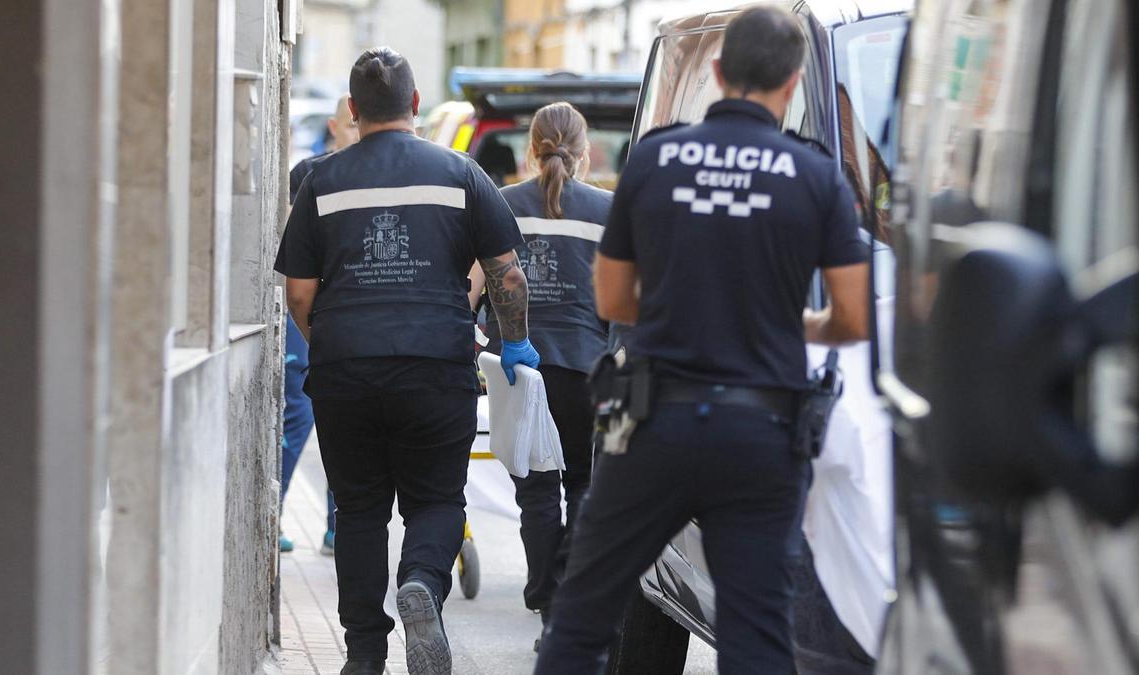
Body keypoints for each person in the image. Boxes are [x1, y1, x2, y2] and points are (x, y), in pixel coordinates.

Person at [533, 6, 870, 674]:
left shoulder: (656, 160)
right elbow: (854, 319)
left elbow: (612, 298)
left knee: (581, 620)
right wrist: (788, 322)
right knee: (755, 637)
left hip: (652, 422)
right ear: (794, 80)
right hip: (760, 436)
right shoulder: (816, 176)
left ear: (716, 72)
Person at [275, 47, 539, 675]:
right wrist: (513, 342)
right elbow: (507, 273)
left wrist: (331, 348)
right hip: (436, 367)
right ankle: (421, 579)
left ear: (352, 109)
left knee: (361, 511)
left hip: (345, 371)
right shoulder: (461, 174)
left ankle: (364, 656)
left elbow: (299, 292)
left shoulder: (322, 179)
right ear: (416, 106)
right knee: (437, 502)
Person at [471, 102, 610, 651]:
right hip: (586, 366)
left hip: (518, 369)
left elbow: (473, 289)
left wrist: (477, 343)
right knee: (583, 483)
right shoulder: (608, 210)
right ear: (585, 151)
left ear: (532, 149)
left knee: (535, 490)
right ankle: (562, 610)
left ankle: (545, 598)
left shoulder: (500, 205)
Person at [280, 94, 361, 556]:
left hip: (348, 315)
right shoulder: (308, 174)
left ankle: (338, 525)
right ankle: (275, 510)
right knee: (300, 416)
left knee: (346, 420)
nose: (356, 133)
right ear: (334, 126)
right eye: (350, 126)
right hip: (309, 312)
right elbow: (295, 258)